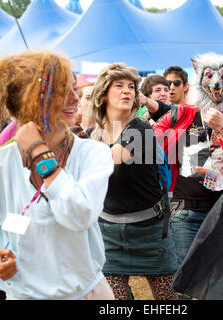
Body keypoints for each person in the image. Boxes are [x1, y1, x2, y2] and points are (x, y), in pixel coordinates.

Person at [0, 50, 115, 300]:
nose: (75, 97)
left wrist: (39, 153)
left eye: (73, 88)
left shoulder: (93, 154)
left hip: (86, 293)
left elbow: (79, 214)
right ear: (32, 101)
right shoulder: (1, 164)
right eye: (62, 91)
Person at [153, 52, 223, 269]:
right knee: (186, 278)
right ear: (199, 79)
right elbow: (151, 141)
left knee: (219, 279)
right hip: (186, 212)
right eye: (209, 75)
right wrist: (182, 149)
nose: (217, 82)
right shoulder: (181, 113)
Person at [88, 63, 177, 300]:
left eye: (131, 86)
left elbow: (107, 162)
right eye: (119, 86)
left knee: (166, 299)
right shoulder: (92, 135)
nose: (127, 91)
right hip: (108, 231)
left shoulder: (141, 129)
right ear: (103, 94)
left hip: (150, 230)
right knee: (112, 300)